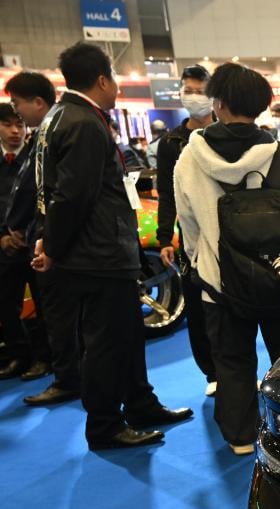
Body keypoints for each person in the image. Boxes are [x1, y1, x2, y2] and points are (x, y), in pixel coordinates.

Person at [34, 43, 191, 450]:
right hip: (97, 254)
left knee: (126, 336)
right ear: (103, 80)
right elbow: (73, 195)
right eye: (115, 78)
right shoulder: (83, 122)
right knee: (106, 343)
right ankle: (105, 425)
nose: (117, 86)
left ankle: (140, 403)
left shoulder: (60, 117)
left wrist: (49, 239)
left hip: (99, 250)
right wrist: (52, 246)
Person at [174, 62, 280, 456]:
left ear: (218, 103)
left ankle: (240, 435)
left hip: (220, 284)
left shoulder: (190, 158)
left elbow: (189, 226)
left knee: (232, 362)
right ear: (260, 106)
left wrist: (205, 265)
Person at [5, 70, 72, 404]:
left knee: (57, 315)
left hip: (51, 241)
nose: (17, 116)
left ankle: (67, 377)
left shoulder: (54, 132)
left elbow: (41, 190)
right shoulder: (48, 133)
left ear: (38, 102)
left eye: (18, 104)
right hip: (39, 237)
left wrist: (29, 230)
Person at [153, 64, 218, 398]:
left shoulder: (225, 132)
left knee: (233, 305)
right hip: (191, 237)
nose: (193, 96)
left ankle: (238, 366)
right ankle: (212, 371)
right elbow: (166, 193)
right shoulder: (171, 143)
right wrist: (165, 236)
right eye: (188, 90)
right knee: (196, 304)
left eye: (200, 91)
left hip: (229, 232)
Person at [0, 104, 33, 380]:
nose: (15, 131)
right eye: (8, 125)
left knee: (46, 308)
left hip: (36, 244)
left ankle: (45, 358)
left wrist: (29, 233)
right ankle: (18, 356)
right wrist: (2, 236)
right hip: (5, 248)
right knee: (7, 305)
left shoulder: (36, 158)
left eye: (19, 125)